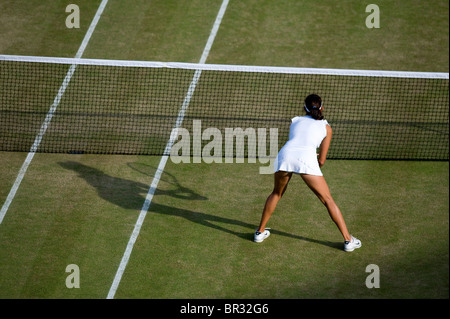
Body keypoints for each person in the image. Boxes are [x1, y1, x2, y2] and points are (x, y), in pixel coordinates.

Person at [254, 94, 361, 252]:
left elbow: (299, 141)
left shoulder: (295, 121)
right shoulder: (327, 128)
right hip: (306, 160)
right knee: (327, 200)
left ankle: (259, 232)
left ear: (304, 108)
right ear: (322, 108)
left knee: (276, 193)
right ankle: (348, 240)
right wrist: (314, 162)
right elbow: (322, 160)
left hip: (285, 156)